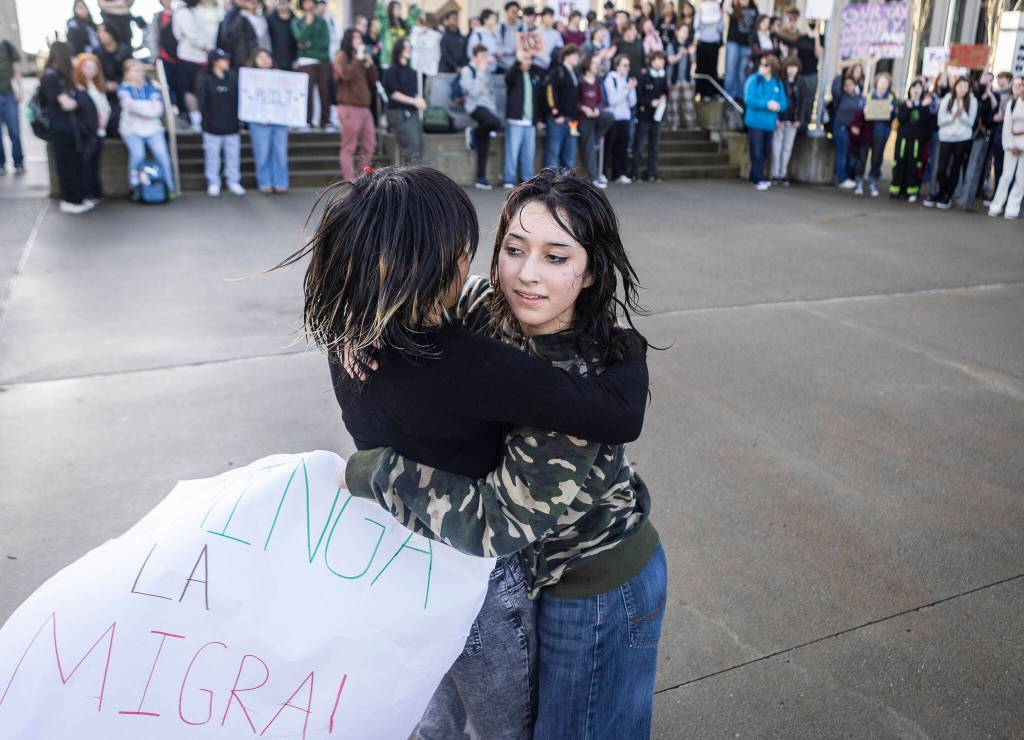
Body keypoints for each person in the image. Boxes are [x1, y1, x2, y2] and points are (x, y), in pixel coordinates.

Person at [276, 164, 649, 740]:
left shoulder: (577, 384)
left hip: (591, 580)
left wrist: (378, 472)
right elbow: (423, 298)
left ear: (591, 270)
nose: (526, 275)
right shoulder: (487, 305)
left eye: (556, 257)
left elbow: (498, 520)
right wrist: (360, 324)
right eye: (513, 248)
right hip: (527, 575)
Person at [41, 42, 93, 213]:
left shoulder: (59, 76)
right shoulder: (51, 76)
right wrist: (79, 102)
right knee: (66, 166)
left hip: (67, 127)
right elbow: (66, 104)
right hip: (59, 127)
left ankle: (76, 198)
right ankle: (69, 200)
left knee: (72, 164)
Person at [118, 58, 176, 198]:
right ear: (128, 73)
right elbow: (128, 106)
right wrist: (146, 107)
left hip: (153, 129)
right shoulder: (124, 88)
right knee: (138, 155)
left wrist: (139, 107)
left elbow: (157, 110)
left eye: (141, 71)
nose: (140, 74)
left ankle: (168, 186)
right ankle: (135, 187)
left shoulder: (150, 88)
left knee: (162, 154)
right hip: (131, 129)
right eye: (136, 71)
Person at [197, 48, 244, 197]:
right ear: (214, 62)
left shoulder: (233, 77)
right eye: (223, 59)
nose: (227, 62)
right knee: (212, 157)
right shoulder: (204, 78)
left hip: (232, 126)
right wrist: (205, 122)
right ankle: (213, 183)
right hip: (211, 127)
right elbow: (202, 104)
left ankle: (233, 182)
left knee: (233, 156)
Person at [334, 29, 378, 183]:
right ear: (348, 40)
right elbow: (346, 75)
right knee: (349, 146)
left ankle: (361, 178)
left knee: (370, 144)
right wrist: (358, 59)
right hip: (348, 106)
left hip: (364, 107)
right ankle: (350, 181)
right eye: (356, 38)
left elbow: (373, 80)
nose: (359, 40)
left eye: (360, 37)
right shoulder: (342, 56)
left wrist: (370, 64)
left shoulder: (360, 58)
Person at [926, 77, 976, 210]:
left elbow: (971, 122)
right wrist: (954, 114)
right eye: (960, 86)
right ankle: (940, 191)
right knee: (941, 169)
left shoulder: (972, 100)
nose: (962, 90)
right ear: (955, 86)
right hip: (946, 138)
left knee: (955, 168)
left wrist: (962, 113)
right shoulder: (948, 98)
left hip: (962, 139)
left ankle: (947, 195)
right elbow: (940, 121)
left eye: (966, 87)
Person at [244, 48, 289, 193]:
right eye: (260, 57)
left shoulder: (281, 75)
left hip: (279, 119)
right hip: (258, 121)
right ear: (255, 60)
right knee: (262, 153)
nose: (264, 60)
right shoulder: (249, 78)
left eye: (267, 56)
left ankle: (281, 182)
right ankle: (265, 182)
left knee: (280, 153)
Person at [461, 44, 502, 189]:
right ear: (475, 57)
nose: (485, 59)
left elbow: (490, 93)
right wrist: (480, 72)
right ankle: (473, 131)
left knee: (484, 142)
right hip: (475, 107)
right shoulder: (468, 70)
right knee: (494, 123)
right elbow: (473, 91)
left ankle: (480, 178)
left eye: (486, 56)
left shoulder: (486, 71)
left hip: (487, 109)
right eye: (482, 56)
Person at [743, 53, 786, 190]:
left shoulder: (777, 82)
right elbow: (749, 99)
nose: (762, 67)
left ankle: (754, 176)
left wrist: (778, 106)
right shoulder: (754, 80)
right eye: (761, 64)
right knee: (756, 151)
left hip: (769, 124)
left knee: (765, 151)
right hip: (755, 122)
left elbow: (784, 101)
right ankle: (758, 179)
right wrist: (766, 104)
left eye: (766, 65)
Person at [889, 79, 936, 203]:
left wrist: (919, 106)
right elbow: (900, 119)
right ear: (910, 90)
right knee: (899, 164)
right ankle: (895, 189)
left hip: (916, 143)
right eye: (914, 87)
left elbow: (926, 124)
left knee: (913, 166)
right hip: (903, 141)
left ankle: (911, 191)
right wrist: (910, 107)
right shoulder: (904, 104)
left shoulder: (925, 106)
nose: (916, 90)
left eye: (919, 88)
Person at [173, 0, 215, 131]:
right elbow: (192, 35)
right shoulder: (183, 12)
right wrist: (208, 48)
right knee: (191, 90)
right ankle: (196, 120)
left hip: (202, 58)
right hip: (190, 58)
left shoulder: (196, 10)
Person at [383, 38, 425, 163]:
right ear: (399, 49)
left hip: (412, 113)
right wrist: (414, 101)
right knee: (411, 148)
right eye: (406, 47)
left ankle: (416, 178)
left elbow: (414, 93)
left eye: (409, 47)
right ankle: (409, 179)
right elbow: (394, 94)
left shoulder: (412, 71)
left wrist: (420, 101)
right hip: (398, 112)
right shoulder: (391, 70)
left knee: (419, 146)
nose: (409, 50)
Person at [503, 48, 541, 188]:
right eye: (525, 58)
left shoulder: (533, 74)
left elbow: (536, 99)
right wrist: (517, 62)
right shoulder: (514, 73)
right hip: (515, 120)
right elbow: (508, 78)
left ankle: (527, 180)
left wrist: (537, 120)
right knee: (511, 152)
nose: (528, 61)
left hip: (530, 121)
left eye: (530, 58)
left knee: (528, 153)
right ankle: (509, 179)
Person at [988, 76, 1024, 219]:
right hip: (1011, 146)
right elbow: (1007, 127)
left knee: (1021, 179)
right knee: (1006, 176)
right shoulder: (1012, 104)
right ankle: (996, 205)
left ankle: (1012, 208)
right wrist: (1011, 145)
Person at [855, 71, 895, 197]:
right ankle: (859, 180)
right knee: (862, 155)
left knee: (877, 157)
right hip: (867, 131)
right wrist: (864, 110)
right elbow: (861, 113)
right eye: (881, 81)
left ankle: (873, 181)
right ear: (876, 82)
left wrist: (892, 112)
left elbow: (894, 117)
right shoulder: (869, 96)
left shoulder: (891, 99)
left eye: (886, 82)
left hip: (882, 132)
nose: (883, 84)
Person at [292, 0, 331, 129]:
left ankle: (326, 121)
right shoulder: (297, 22)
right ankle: (307, 121)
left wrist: (308, 47)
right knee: (307, 92)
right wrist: (308, 25)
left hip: (322, 61)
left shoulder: (322, 22)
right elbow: (300, 39)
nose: (308, 5)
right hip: (305, 62)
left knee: (324, 92)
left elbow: (324, 42)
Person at [578, 51, 613, 187]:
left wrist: (597, 109)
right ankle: (593, 177)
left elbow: (602, 101)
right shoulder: (580, 80)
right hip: (583, 118)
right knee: (590, 147)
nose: (596, 66)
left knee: (610, 117)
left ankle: (596, 138)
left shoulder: (598, 81)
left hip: (596, 116)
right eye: (594, 63)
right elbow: (576, 101)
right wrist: (584, 108)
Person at [544, 44, 581, 171]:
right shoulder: (557, 71)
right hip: (558, 119)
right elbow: (550, 92)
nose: (577, 58)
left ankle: (567, 184)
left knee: (569, 154)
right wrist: (555, 113)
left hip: (571, 120)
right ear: (566, 56)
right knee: (553, 154)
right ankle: (551, 183)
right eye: (575, 55)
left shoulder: (575, 73)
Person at [633, 50, 668, 182]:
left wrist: (664, 98)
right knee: (640, 145)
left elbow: (666, 93)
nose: (660, 62)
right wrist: (650, 102)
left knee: (654, 146)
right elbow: (638, 97)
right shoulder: (644, 77)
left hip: (657, 116)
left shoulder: (664, 76)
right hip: (644, 116)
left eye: (662, 59)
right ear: (652, 61)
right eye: (658, 59)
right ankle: (635, 172)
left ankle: (652, 173)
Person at [770, 56, 805, 186]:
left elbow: (803, 103)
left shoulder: (801, 83)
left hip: (793, 120)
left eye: (794, 67)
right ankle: (774, 174)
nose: (792, 70)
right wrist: (777, 117)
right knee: (776, 146)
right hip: (780, 119)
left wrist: (799, 119)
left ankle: (782, 173)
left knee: (787, 148)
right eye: (790, 67)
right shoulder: (780, 82)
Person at [604, 54, 637, 183]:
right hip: (613, 118)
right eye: (624, 65)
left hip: (625, 118)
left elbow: (632, 102)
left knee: (622, 148)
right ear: (617, 66)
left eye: (628, 65)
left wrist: (631, 89)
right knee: (609, 147)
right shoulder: (611, 79)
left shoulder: (626, 80)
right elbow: (613, 100)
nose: (627, 68)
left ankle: (620, 174)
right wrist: (627, 88)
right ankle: (604, 174)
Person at [95, 23, 131, 138]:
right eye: (99, 32)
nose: (101, 35)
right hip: (103, 89)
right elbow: (95, 72)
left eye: (104, 31)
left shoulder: (124, 50)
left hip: (123, 89)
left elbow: (129, 70)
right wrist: (105, 83)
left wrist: (119, 84)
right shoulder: (96, 52)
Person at [831, 74, 864, 188]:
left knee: (850, 155)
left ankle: (847, 176)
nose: (848, 87)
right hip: (841, 128)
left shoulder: (859, 98)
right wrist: (842, 71)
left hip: (853, 131)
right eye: (846, 85)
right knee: (842, 154)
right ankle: (841, 178)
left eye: (851, 84)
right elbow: (835, 87)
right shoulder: (841, 96)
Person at [723, 0, 758, 100]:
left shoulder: (754, 8)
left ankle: (741, 98)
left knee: (742, 73)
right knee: (730, 71)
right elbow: (725, 7)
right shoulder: (734, 6)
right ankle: (729, 97)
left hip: (747, 44)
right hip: (733, 42)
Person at [0, 31, 24, 176]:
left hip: (9, 95)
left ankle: (18, 162)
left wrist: (19, 90)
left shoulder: (7, 46)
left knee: (14, 131)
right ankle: (1, 164)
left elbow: (16, 70)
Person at [666, 23, 696, 129]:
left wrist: (692, 53)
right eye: (683, 31)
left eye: (687, 32)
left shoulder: (690, 45)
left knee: (689, 104)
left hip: (687, 78)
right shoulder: (671, 45)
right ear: (677, 32)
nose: (685, 34)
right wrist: (681, 53)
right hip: (674, 79)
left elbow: (694, 63)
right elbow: (670, 61)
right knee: (673, 103)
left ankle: (691, 125)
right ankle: (674, 124)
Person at [225, 0, 269, 70]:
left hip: (261, 58)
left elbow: (266, 40)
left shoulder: (262, 19)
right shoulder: (239, 17)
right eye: (250, 1)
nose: (253, 2)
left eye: (256, 1)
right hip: (245, 58)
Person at [693, 0, 723, 98]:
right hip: (702, 43)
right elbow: (696, 26)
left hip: (714, 44)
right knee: (701, 69)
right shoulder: (700, 9)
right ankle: (700, 93)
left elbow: (721, 28)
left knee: (712, 70)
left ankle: (711, 93)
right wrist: (700, 15)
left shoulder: (718, 9)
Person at [377, 0, 420, 67]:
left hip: (401, 60)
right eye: (395, 7)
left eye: (399, 8)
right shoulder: (385, 23)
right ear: (390, 8)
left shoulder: (403, 24)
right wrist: (381, 2)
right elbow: (380, 14)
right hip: (388, 60)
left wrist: (415, 5)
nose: (397, 10)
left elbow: (412, 19)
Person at [466, 8, 500, 73]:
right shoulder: (477, 33)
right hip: (479, 70)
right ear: (485, 19)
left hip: (492, 69)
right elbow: (471, 53)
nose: (495, 20)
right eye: (492, 18)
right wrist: (485, 58)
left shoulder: (494, 34)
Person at [267, 0, 297, 71]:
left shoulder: (296, 20)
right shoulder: (269, 19)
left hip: (291, 61)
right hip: (274, 61)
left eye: (284, 3)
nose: (282, 5)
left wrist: (296, 59)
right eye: (280, 2)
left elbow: (298, 42)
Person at [497, 1, 522, 73]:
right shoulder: (500, 27)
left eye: (517, 11)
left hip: (517, 65)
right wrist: (512, 50)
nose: (515, 14)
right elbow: (498, 48)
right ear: (506, 12)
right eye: (513, 11)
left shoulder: (522, 26)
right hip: (502, 66)